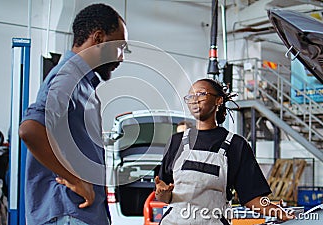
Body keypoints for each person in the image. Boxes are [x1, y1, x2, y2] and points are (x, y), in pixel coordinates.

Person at [18, 3, 128, 225]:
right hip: (68, 211)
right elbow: (30, 129)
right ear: (98, 38)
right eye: (120, 46)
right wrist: (75, 180)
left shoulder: (82, 83)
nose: (122, 57)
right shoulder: (69, 77)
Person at [155, 78, 294, 224]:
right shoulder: (176, 142)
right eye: (190, 96)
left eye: (201, 94)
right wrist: (162, 193)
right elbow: (165, 197)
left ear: (218, 101)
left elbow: (252, 198)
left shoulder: (236, 145)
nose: (194, 100)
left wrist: (280, 212)